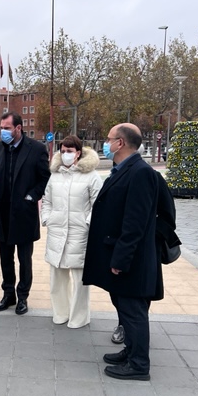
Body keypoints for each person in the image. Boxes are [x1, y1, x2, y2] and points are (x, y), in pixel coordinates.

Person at [83, 123, 159, 381]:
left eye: (109, 139)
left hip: (131, 259)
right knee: (124, 307)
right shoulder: (124, 169)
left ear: (121, 143)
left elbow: (135, 223)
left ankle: (139, 364)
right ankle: (130, 351)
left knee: (133, 310)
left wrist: (121, 259)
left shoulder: (140, 173)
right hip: (117, 252)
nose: (106, 144)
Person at [0, 112, 51, 315]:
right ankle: (8, 294)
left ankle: (22, 296)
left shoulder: (36, 149)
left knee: (25, 259)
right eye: (2, 128)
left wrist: (32, 197)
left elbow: (45, 178)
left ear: (18, 128)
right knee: (5, 258)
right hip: (2, 214)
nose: (3, 132)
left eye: (7, 128)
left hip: (24, 214)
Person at [41, 136, 102, 328]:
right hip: (57, 232)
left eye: (70, 151)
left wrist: (88, 223)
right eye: (63, 151)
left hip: (79, 234)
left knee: (80, 279)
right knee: (57, 278)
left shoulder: (91, 176)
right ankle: (61, 313)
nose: (66, 154)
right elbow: (47, 200)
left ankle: (79, 317)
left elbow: (98, 204)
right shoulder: (55, 175)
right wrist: (47, 218)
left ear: (78, 153)